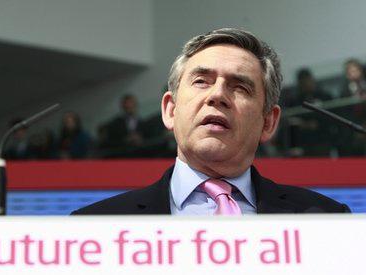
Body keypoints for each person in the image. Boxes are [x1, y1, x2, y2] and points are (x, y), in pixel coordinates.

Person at [72, 28, 350, 215]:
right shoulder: (95, 227)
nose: (217, 95)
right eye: (201, 81)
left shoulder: (328, 221)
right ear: (170, 110)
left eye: (240, 87)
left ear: (268, 122)